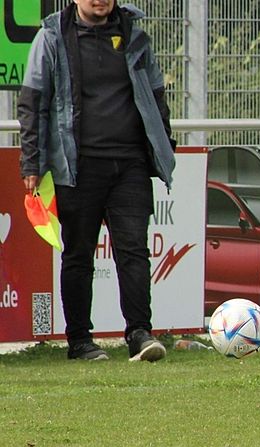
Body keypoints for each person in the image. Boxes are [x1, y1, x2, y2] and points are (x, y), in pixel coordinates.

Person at [18, 0, 175, 362]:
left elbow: (155, 96)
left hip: (131, 164)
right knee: (78, 255)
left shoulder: (136, 35)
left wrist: (162, 145)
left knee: (134, 251)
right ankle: (80, 341)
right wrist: (32, 162)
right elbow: (33, 101)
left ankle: (139, 333)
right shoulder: (52, 36)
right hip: (77, 166)